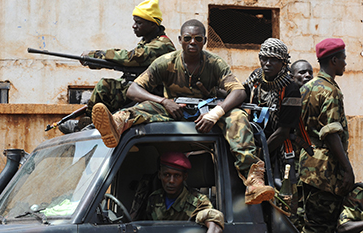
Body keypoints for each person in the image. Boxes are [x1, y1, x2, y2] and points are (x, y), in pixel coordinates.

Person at [92, 19, 275, 205]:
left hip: (207, 112)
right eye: (188, 38)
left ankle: (253, 181)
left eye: (197, 38)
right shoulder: (166, 62)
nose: (192, 42)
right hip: (173, 110)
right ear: (180, 39)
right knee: (143, 108)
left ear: (204, 40)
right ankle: (116, 125)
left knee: (238, 117)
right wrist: (164, 101)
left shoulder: (215, 63)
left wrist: (216, 113)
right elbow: (133, 90)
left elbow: (239, 92)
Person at [58, 0, 175, 134]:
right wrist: (95, 62)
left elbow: (130, 58)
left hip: (155, 94)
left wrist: (95, 55)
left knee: (104, 86)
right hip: (143, 89)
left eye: (139, 22)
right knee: (107, 86)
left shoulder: (161, 45)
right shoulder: (148, 41)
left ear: (153, 24)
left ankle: (88, 124)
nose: (134, 26)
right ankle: (90, 123)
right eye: (134, 21)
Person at [299, 38, 355, 233]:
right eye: (343, 58)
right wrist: (347, 169)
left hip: (308, 168)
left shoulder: (306, 88)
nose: (345, 63)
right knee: (324, 227)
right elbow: (331, 134)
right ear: (333, 61)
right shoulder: (330, 91)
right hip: (326, 172)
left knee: (312, 224)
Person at [243, 38, 301, 219]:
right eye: (264, 58)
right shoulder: (255, 79)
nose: (267, 63)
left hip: (278, 150)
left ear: (283, 63)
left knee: (282, 200)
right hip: (257, 145)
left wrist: (260, 156)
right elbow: (241, 96)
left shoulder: (290, 89)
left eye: (273, 59)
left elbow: (283, 132)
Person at [145, 152, 224, 232]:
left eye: (177, 175)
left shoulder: (197, 201)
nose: (171, 181)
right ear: (159, 175)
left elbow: (211, 218)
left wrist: (212, 226)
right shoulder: (154, 198)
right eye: (167, 175)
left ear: (184, 177)